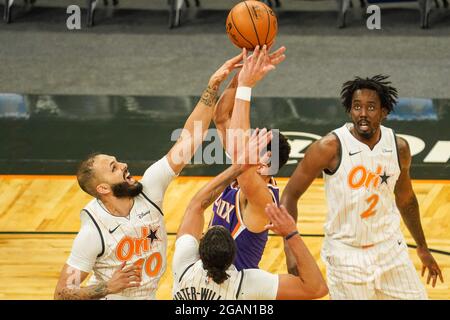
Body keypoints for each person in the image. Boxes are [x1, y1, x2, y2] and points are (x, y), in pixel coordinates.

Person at [53, 52, 245, 300]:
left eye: (117, 161)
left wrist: (212, 86)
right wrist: (107, 288)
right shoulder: (93, 233)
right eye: (113, 167)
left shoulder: (149, 188)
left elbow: (190, 140)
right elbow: (61, 294)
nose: (122, 165)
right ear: (102, 189)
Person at [281, 75, 444, 299]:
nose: (363, 113)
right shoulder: (329, 147)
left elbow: (406, 200)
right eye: (357, 107)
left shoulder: (399, 148)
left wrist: (423, 248)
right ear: (350, 111)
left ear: (384, 111)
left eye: (371, 107)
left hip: (390, 251)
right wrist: (291, 251)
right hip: (345, 257)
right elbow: (289, 195)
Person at [172, 128, 328, 300]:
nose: (242, 152)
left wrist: (243, 100)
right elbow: (317, 288)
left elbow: (195, 206)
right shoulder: (246, 284)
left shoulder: (183, 269)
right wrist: (292, 233)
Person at [211, 45, 291, 270]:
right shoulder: (245, 170)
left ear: (264, 161)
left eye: (252, 143)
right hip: (209, 278)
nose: (246, 140)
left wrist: (246, 87)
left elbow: (238, 151)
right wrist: (243, 74)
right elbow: (221, 117)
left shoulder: (262, 198)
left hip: (236, 289)